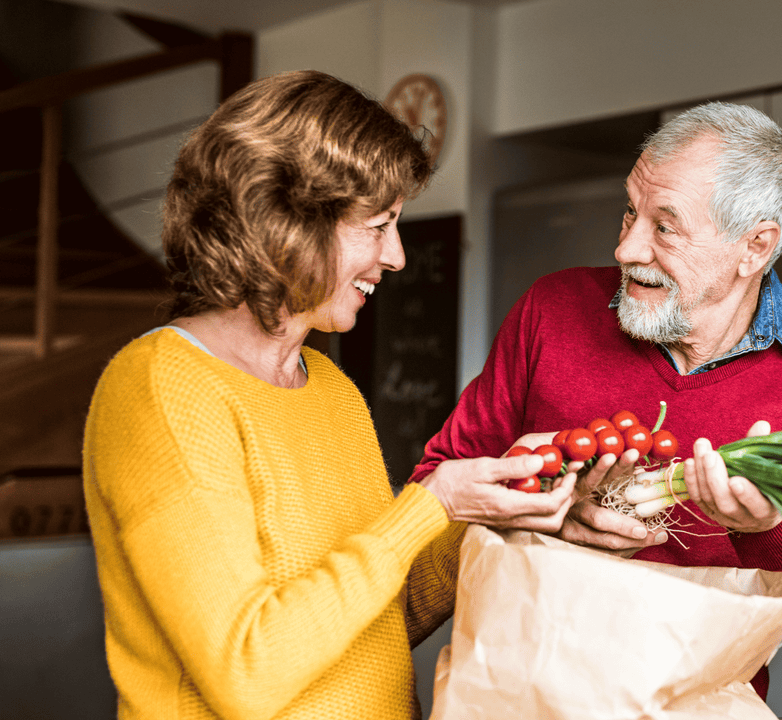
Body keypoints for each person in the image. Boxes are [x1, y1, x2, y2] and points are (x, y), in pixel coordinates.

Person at [81, 70, 577, 720]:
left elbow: (378, 616)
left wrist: (490, 513)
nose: (396, 256)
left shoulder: (332, 387)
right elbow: (249, 672)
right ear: (285, 220)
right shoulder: (161, 388)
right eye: (378, 225)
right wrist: (429, 504)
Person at [410, 101, 782, 700]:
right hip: (518, 696)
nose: (627, 249)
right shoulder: (552, 312)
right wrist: (538, 507)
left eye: (664, 227)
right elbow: (433, 497)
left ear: (755, 247)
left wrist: (770, 530)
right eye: (629, 213)